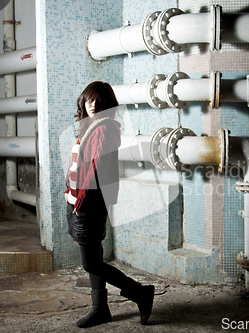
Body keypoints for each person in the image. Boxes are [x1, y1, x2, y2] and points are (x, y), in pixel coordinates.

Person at [65, 81, 154, 328]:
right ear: (83, 100)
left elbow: (97, 172)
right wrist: (69, 193)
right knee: (94, 257)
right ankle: (100, 309)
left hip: (88, 205)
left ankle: (140, 293)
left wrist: (84, 203)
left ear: (108, 105)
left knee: (90, 262)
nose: (93, 105)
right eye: (90, 99)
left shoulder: (104, 129)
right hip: (78, 202)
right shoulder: (89, 128)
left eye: (99, 101)